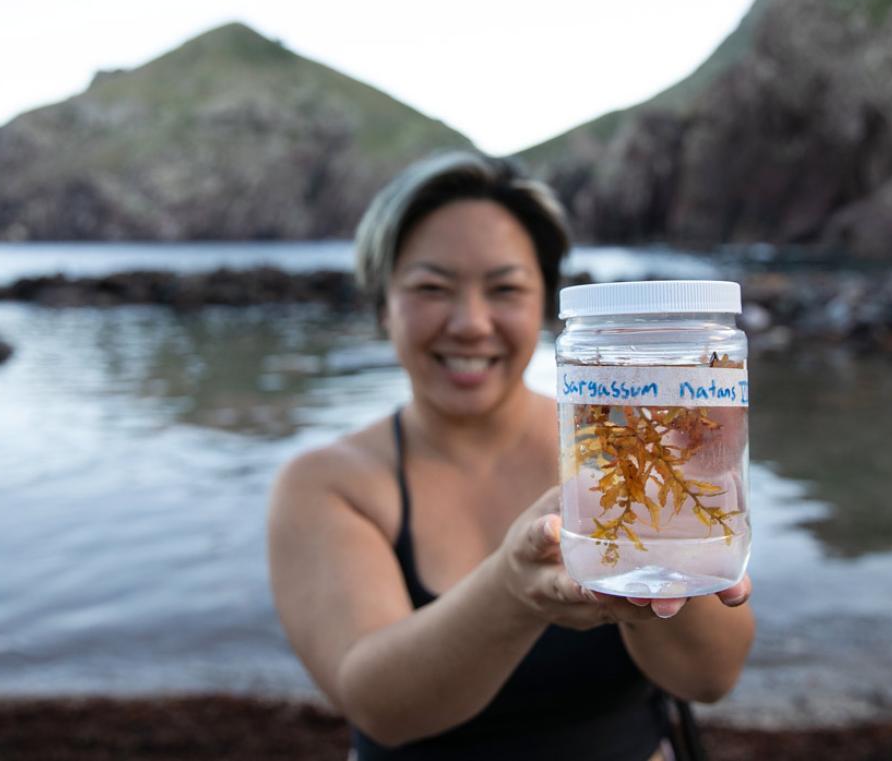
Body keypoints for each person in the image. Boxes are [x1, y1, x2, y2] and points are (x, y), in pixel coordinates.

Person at [268, 151, 755, 760]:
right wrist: (512, 589)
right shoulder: (327, 484)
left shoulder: (622, 447)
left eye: (505, 288)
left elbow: (710, 679)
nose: (471, 324)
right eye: (431, 287)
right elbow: (379, 708)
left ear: (544, 305)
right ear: (381, 305)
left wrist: (669, 560)